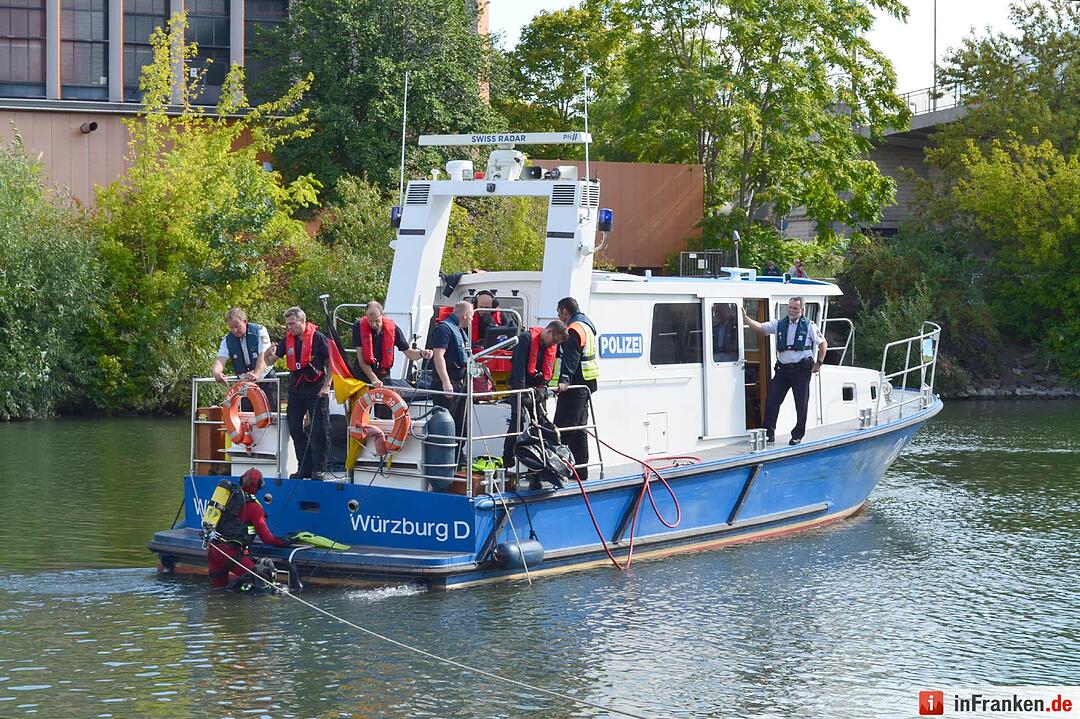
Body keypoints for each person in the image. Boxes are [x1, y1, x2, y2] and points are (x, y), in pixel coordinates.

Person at [255, 307, 332, 480]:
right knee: (295, 428)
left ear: (303, 321)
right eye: (288, 324)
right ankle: (303, 468)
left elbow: (331, 363)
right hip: (297, 388)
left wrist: (327, 386)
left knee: (320, 429)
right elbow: (271, 360)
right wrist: (268, 355)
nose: (290, 327)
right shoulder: (287, 340)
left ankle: (319, 469)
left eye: (292, 324)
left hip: (316, 388)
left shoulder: (318, 338)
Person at [744, 296, 828, 446]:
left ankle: (797, 435)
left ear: (802, 310)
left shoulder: (809, 326)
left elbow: (823, 344)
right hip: (782, 370)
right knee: (771, 400)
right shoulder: (779, 324)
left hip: (801, 371)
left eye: (795, 308)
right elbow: (760, 327)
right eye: (790, 307)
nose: (792, 311)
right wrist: (745, 318)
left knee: (801, 404)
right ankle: (768, 434)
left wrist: (819, 364)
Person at [205, 468, 289, 589]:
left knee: (218, 591)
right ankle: (236, 588)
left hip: (213, 549)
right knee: (261, 581)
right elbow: (267, 538)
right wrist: (285, 541)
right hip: (229, 552)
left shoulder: (228, 498)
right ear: (260, 485)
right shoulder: (254, 507)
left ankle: (230, 593)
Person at [502, 321, 568, 471]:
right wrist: (521, 392)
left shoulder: (550, 346)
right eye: (555, 340)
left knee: (541, 424)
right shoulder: (526, 339)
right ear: (550, 332)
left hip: (538, 391)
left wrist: (544, 387)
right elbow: (518, 368)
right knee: (518, 422)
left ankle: (537, 467)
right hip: (521, 389)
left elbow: (550, 370)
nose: (554, 344)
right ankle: (507, 459)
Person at [554, 297, 600, 480]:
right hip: (586, 383)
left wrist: (564, 380)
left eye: (559, 313)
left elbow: (570, 357)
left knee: (563, 428)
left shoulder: (573, 330)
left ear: (566, 311)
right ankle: (580, 471)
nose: (559, 316)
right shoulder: (586, 325)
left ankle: (558, 470)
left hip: (574, 385)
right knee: (580, 428)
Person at [429, 300, 473, 461]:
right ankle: (443, 461)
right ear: (465, 315)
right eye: (472, 316)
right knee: (446, 425)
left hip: (461, 384)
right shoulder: (444, 329)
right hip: (448, 385)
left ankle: (457, 458)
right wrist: (446, 383)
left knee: (461, 424)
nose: (472, 320)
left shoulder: (460, 331)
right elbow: (438, 356)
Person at [353, 301, 432, 388]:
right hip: (364, 377)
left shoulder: (393, 329)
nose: (373, 324)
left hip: (383, 377)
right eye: (370, 321)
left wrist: (421, 354)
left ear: (382, 315)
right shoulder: (358, 327)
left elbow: (409, 353)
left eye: (376, 320)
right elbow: (361, 359)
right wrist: (374, 379)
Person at [211, 307, 277, 408]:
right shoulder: (227, 340)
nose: (234, 330)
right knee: (247, 419)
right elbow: (221, 359)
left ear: (245, 322)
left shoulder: (260, 331)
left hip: (265, 380)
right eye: (231, 328)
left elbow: (263, 355)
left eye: (237, 326)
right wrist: (217, 372)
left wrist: (256, 373)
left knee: (272, 417)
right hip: (245, 384)